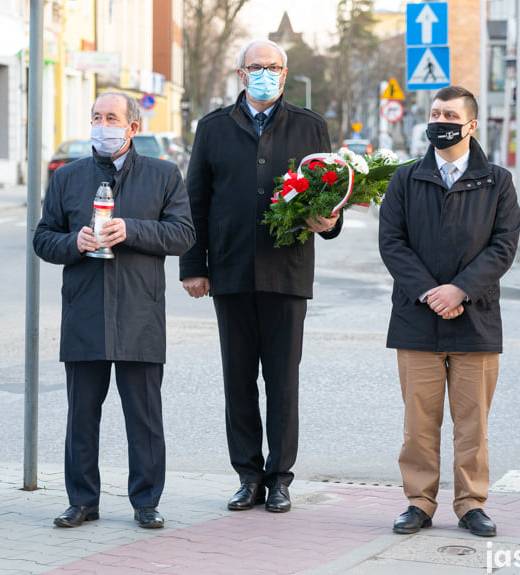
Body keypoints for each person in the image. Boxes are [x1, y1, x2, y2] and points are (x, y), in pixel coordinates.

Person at [179, 39, 342, 514]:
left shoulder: (311, 127)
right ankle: (248, 476)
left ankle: (280, 479)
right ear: (241, 74)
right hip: (229, 272)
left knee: (282, 380)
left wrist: (329, 223)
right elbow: (196, 202)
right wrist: (194, 266)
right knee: (238, 380)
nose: (265, 73)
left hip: (287, 272)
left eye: (273, 67)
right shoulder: (213, 128)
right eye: (257, 67)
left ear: (285, 74)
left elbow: (330, 195)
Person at [33, 89, 195, 530]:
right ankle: (82, 500)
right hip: (84, 311)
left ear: (132, 128)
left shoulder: (163, 175)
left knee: (143, 416)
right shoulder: (68, 177)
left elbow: (182, 234)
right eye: (96, 116)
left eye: (111, 118)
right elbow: (43, 238)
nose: (102, 125)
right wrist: (75, 242)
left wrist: (132, 229)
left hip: (140, 313)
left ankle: (146, 501)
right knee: (81, 415)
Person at [378, 86, 520, 538]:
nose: (440, 120)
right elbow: (392, 243)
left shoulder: (497, 181)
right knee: (418, 424)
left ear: (471, 125)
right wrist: (429, 292)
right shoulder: (405, 178)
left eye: (450, 114)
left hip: (475, 319)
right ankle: (418, 502)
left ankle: (471, 504)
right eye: (435, 113)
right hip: (416, 319)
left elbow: (503, 246)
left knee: (472, 423)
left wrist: (460, 290)